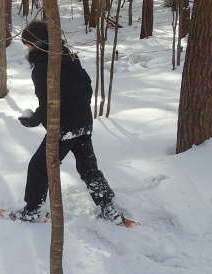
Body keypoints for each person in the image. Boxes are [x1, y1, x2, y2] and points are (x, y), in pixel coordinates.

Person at [14, 20, 128, 225]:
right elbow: (87, 87)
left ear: (37, 43)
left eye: (27, 44)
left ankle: (31, 211)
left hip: (63, 127)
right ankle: (107, 207)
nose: (26, 48)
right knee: (88, 168)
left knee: (39, 167)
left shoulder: (42, 66)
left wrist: (32, 121)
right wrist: (78, 110)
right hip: (83, 123)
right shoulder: (69, 57)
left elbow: (47, 102)